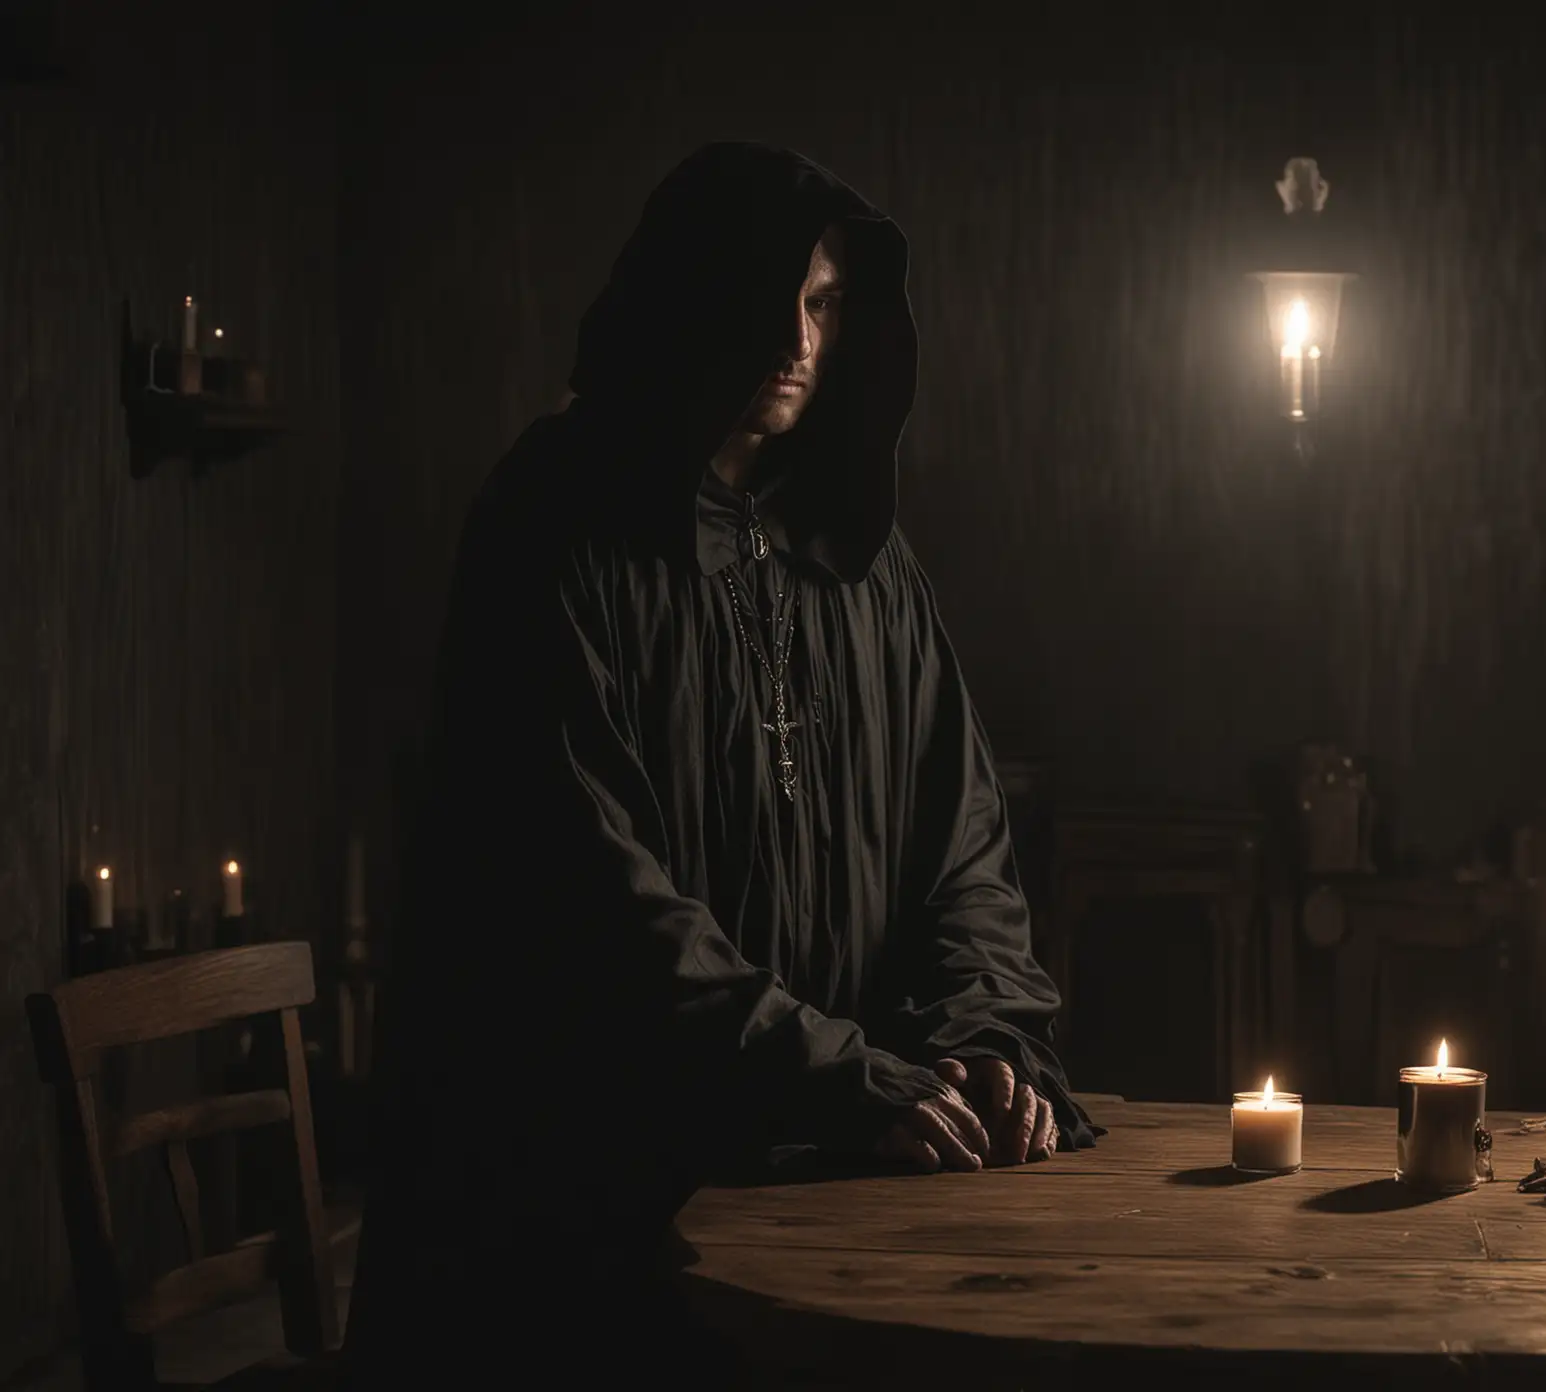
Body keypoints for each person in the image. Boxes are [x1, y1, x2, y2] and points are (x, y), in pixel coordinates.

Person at [341, 141, 1096, 1384]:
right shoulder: (553, 524)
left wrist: (980, 1051)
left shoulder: (862, 556)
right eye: (772, 300)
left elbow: (963, 855)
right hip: (590, 1202)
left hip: (837, 1183)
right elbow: (592, 905)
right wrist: (844, 1078)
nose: (799, 342)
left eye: (825, 305)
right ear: (692, 300)